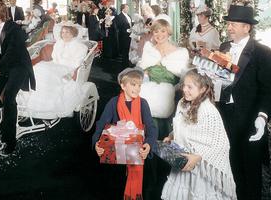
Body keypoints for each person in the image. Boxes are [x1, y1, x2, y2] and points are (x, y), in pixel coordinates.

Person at [217, 4, 271, 200]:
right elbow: (221, 80)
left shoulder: (262, 52)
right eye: (229, 24)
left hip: (250, 120)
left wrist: (262, 118)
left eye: (234, 24)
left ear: (247, 27)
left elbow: (269, 91)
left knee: (251, 174)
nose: (229, 27)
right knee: (230, 169)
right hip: (225, 116)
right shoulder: (224, 48)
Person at [161, 69, 236, 200]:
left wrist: (198, 156)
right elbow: (182, 126)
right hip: (184, 162)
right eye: (184, 85)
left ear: (202, 89)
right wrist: (172, 136)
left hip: (201, 170)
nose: (184, 89)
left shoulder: (208, 111)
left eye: (190, 87)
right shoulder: (182, 104)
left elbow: (221, 145)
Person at [92, 67, 158, 200]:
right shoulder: (113, 102)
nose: (137, 88)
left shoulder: (143, 103)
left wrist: (149, 144)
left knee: (141, 182)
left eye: (139, 85)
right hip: (116, 155)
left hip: (138, 154)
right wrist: (96, 144)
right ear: (123, 85)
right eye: (133, 84)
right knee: (115, 187)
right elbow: (101, 124)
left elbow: (151, 127)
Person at [0, 2, 35, 156]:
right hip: (4, 68)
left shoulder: (14, 29)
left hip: (19, 67)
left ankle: (10, 140)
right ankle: (4, 126)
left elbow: (11, 53)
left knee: (8, 98)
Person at [18, 24, 88, 119]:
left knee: (48, 73)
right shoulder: (59, 43)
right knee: (38, 68)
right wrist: (57, 62)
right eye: (63, 32)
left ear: (73, 33)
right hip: (55, 64)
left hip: (69, 68)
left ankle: (47, 107)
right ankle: (31, 103)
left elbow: (76, 63)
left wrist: (62, 63)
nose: (64, 34)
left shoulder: (80, 47)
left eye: (67, 32)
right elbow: (55, 58)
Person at [138, 19, 189, 139]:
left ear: (168, 32)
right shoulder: (149, 51)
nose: (159, 35)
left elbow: (183, 80)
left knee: (167, 137)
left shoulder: (179, 54)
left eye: (163, 31)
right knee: (149, 135)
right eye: (156, 31)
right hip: (150, 99)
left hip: (170, 101)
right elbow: (143, 74)